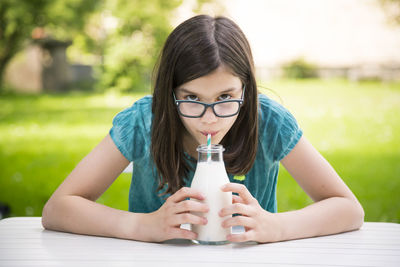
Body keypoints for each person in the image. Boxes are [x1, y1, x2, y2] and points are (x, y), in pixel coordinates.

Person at [42, 15, 364, 243]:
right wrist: (143, 225)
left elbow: (348, 209)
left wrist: (275, 226)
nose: (210, 119)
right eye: (192, 98)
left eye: (225, 97)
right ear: (170, 93)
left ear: (246, 90)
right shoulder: (145, 121)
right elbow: (58, 208)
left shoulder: (268, 122)